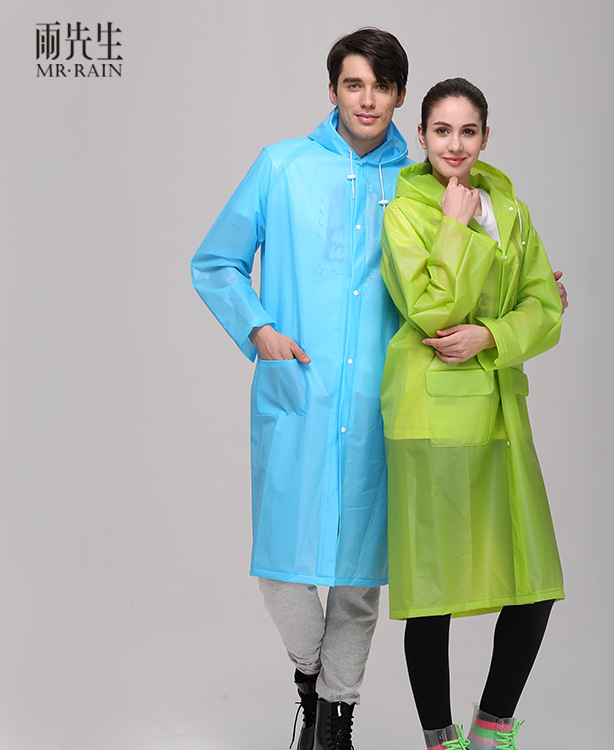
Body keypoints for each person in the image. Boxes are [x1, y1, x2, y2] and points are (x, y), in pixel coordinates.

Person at [191, 28, 410, 750]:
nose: (367, 99)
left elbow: (463, 270)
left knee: (357, 580)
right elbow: (216, 262)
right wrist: (258, 329)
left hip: (380, 402)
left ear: (398, 96)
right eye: (354, 84)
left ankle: (334, 726)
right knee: (283, 572)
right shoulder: (281, 166)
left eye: (381, 87)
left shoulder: (416, 184)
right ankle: (314, 685)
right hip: (300, 394)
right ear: (333, 90)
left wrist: (527, 291)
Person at [379, 78, 565, 750]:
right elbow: (431, 311)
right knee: (434, 588)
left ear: (486, 136)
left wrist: (490, 335)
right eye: (441, 130)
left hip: (500, 410)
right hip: (430, 414)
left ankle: (490, 731)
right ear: (421, 135)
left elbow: (546, 309)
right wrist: (454, 229)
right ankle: (440, 740)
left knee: (532, 581)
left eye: (467, 131)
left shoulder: (511, 209)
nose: (454, 145)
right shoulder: (404, 212)